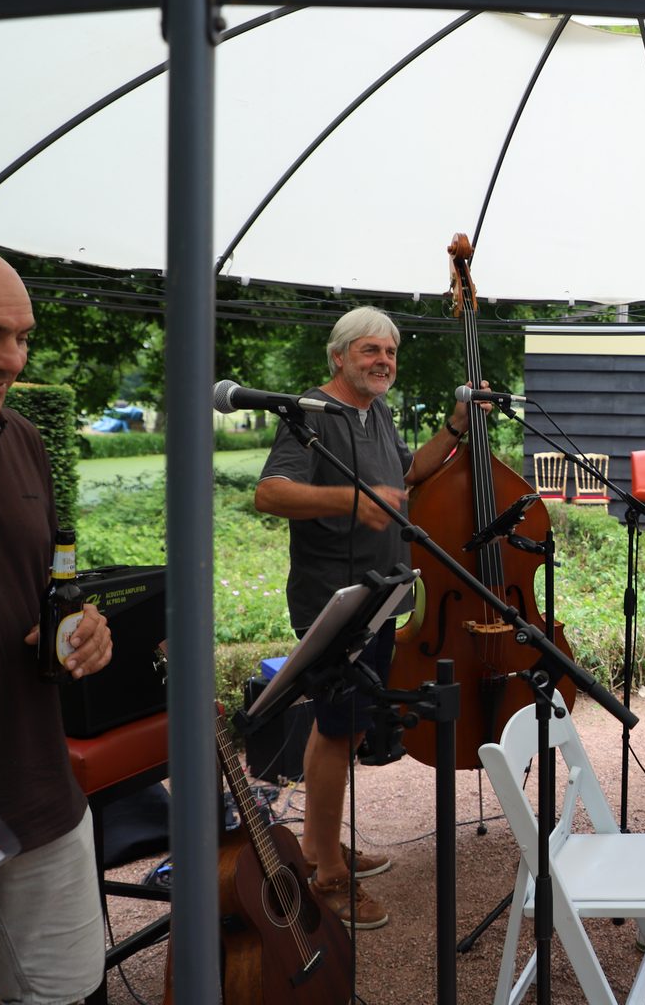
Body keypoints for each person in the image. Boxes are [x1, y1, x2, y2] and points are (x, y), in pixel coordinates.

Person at [255, 306, 471, 930]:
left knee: (344, 730)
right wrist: (351, 499)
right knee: (338, 728)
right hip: (334, 604)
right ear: (339, 356)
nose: (383, 361)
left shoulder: (377, 412)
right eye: (370, 350)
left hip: (379, 599)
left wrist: (455, 427)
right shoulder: (310, 413)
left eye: (391, 352)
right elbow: (270, 493)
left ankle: (320, 845)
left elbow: (405, 473)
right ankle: (325, 874)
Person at [0, 235, 114, 1003]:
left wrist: (81, 626)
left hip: (38, 799)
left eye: (21, 337)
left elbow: (48, 585)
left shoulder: (24, 440)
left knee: (66, 994)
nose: (11, 359)